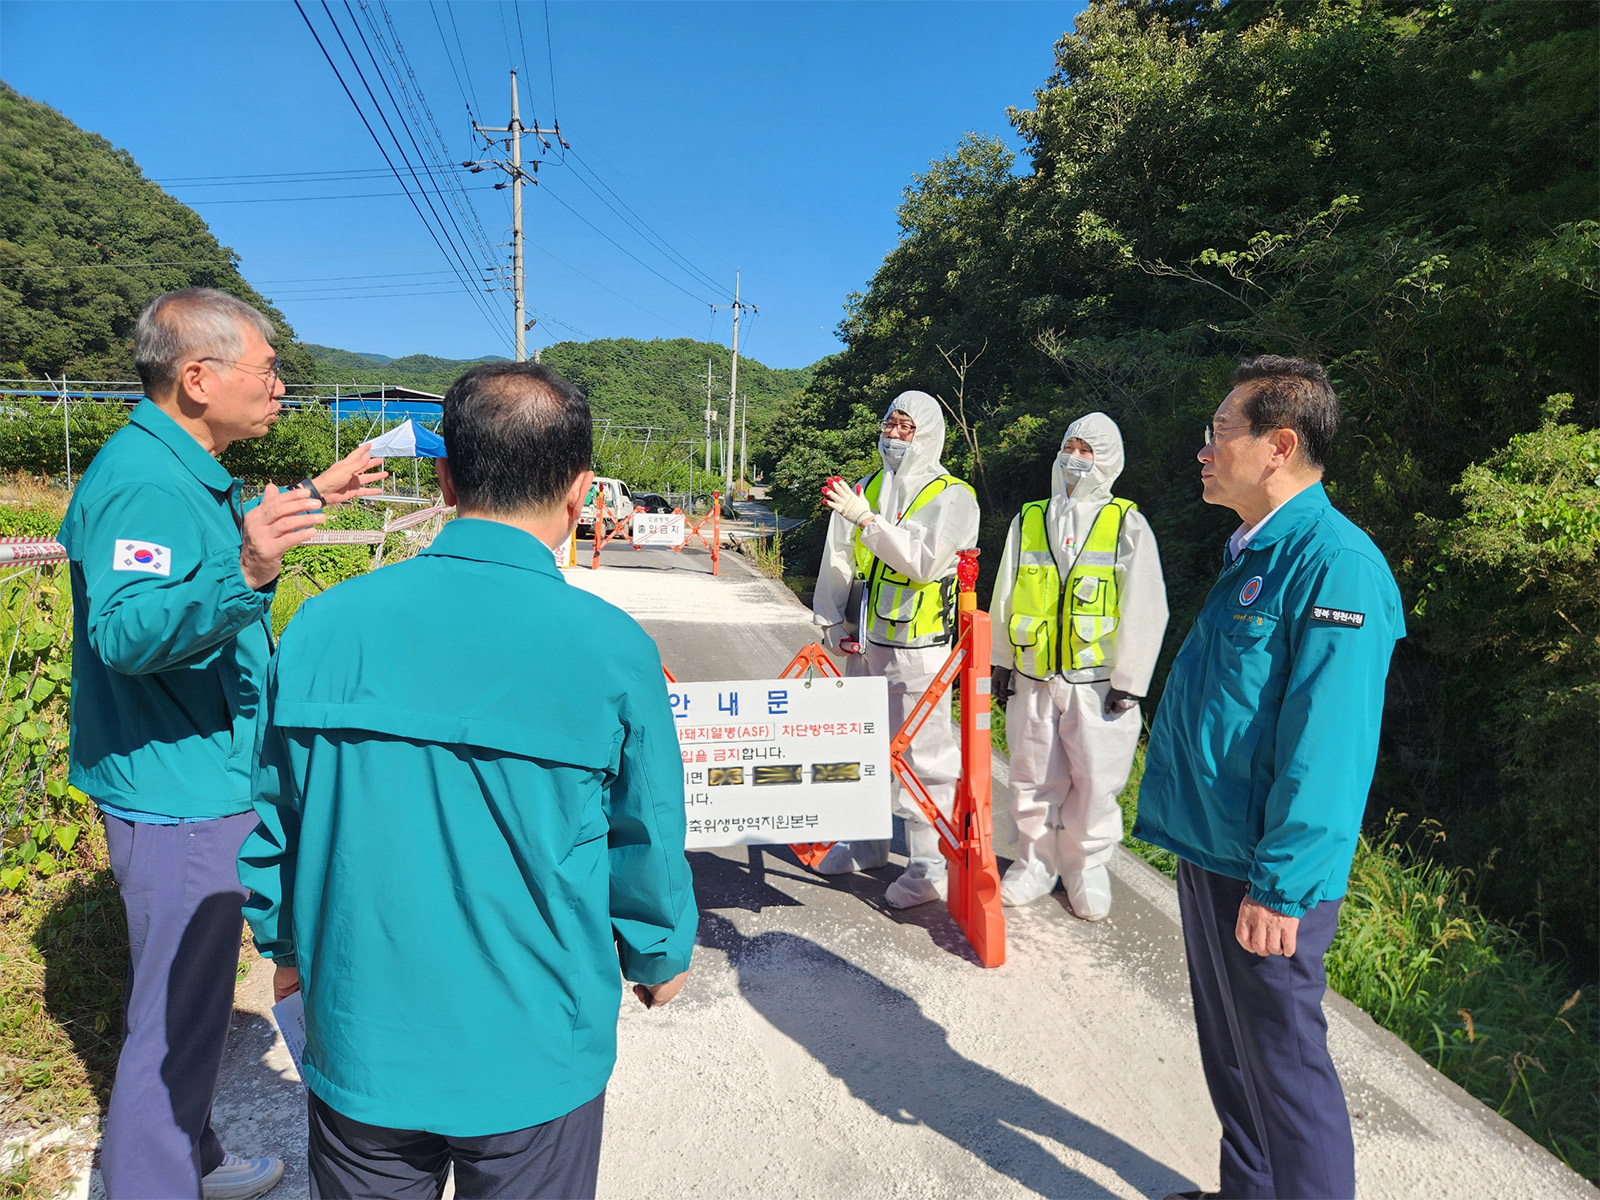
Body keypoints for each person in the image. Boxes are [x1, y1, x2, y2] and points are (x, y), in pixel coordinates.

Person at [238, 361, 697, 1199]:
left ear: (445, 478)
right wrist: (658, 952)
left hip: (361, 1034)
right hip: (533, 1052)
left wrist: (286, 947)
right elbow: (648, 833)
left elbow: (274, 814)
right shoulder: (611, 649)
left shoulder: (325, 626)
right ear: (580, 490)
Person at [59, 288, 384, 1200]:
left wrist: (314, 497)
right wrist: (246, 569)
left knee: (191, 1009)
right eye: (267, 368)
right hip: (179, 787)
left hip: (202, 768)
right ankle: (151, 1180)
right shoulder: (141, 482)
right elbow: (125, 635)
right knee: (174, 1020)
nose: (279, 385)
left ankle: (189, 1156)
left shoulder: (184, 469)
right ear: (197, 379)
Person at [1134, 356, 1404, 1200]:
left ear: (1278, 445)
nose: (1204, 450)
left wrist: (1282, 886)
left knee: (1286, 1073)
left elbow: (1329, 747)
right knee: (1235, 1057)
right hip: (1211, 852)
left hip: (1265, 872)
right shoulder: (1257, 548)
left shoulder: (1335, 564)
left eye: (1220, 432)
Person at [988, 413, 1168, 917]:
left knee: (1096, 780)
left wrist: (1131, 681)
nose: (1076, 457)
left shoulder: (1125, 522)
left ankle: (1085, 867)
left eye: (1088, 449)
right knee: (1031, 776)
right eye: (1071, 445)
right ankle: (1035, 864)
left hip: (1098, 682)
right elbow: (1005, 590)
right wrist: (1001, 661)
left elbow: (1146, 604)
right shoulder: (1030, 518)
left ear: (1108, 460)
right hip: (1034, 674)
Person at [811, 390, 981, 908]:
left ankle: (930, 867)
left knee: (923, 757)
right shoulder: (866, 485)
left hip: (919, 644)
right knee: (862, 747)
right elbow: (838, 557)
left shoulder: (953, 495)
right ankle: (868, 845)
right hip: (864, 640)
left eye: (907, 427)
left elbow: (924, 562)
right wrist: (831, 619)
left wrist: (867, 521)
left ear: (927, 433)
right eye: (890, 424)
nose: (895, 435)